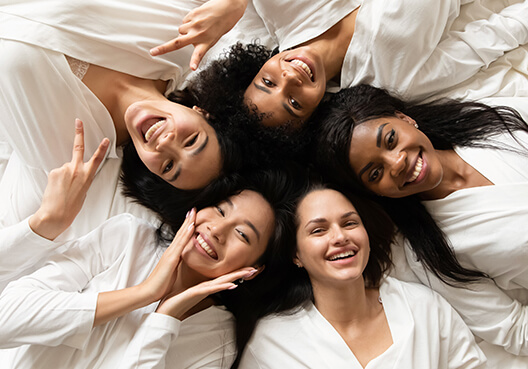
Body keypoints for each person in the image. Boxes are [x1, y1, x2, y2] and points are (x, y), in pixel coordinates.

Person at [0, 0, 273, 241]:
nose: (166, 143)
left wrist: (45, 223)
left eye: (168, 166)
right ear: (202, 112)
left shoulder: (67, 150)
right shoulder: (183, 37)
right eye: (191, 141)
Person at [0, 159, 301, 368]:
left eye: (242, 234)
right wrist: (144, 293)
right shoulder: (128, 237)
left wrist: (165, 318)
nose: (217, 230)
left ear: (255, 268)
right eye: (220, 210)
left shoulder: (216, 341)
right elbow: (6, 319)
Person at [315, 84, 528, 361]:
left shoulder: (492, 124)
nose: (397, 163)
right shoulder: (434, 254)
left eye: (390, 140)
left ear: (405, 118)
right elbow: (513, 329)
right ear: (374, 192)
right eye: (376, 172)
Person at [164, 0, 528, 129]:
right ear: (313, 114)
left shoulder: (279, 8)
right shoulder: (392, 80)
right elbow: (489, 38)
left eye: (268, 83)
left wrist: (233, 2)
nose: (290, 78)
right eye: (293, 103)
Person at [238, 184, 487, 368]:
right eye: (318, 230)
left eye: (349, 223)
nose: (339, 237)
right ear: (296, 255)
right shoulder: (272, 344)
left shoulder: (425, 309)